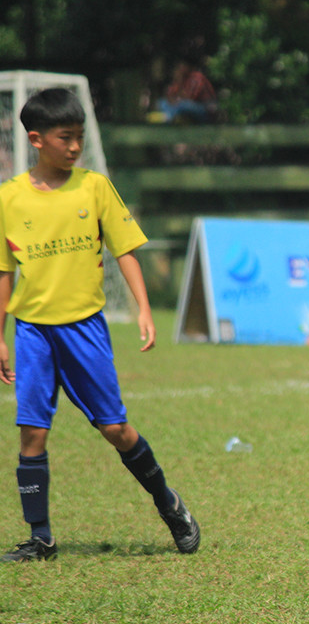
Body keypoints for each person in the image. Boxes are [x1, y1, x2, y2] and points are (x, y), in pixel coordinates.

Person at [0, 88, 200, 562]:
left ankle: (169, 504)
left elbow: (124, 250)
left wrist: (144, 308)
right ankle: (41, 537)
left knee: (116, 429)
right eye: (65, 137)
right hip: (32, 333)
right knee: (32, 434)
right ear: (36, 139)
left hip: (84, 329)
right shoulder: (9, 198)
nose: (74, 147)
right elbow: (4, 272)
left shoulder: (94, 187)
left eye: (79, 137)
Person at [152, 58, 217, 124]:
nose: (180, 68)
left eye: (182, 65)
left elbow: (190, 98)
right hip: (186, 106)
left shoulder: (196, 77)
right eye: (178, 66)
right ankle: (171, 118)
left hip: (205, 109)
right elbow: (170, 97)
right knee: (161, 102)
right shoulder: (179, 79)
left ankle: (169, 118)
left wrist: (176, 99)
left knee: (183, 104)